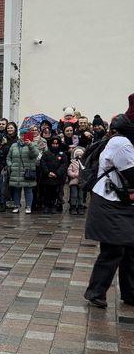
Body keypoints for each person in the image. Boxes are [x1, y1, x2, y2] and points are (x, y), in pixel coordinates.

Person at [84, 96, 134, 308]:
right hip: (108, 202)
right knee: (114, 250)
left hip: (121, 203)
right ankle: (95, 292)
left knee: (130, 249)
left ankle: (130, 294)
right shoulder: (121, 143)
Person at [6, 129, 38, 214]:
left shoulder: (33, 144)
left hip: (27, 171)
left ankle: (28, 206)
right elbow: (8, 157)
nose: (23, 137)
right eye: (22, 135)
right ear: (20, 135)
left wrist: (30, 145)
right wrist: (10, 165)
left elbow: (35, 155)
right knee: (16, 189)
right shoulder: (14, 145)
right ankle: (16, 206)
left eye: (25, 135)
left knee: (28, 189)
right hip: (16, 171)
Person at [39, 136, 68, 214]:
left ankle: (54, 206)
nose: (55, 145)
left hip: (57, 178)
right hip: (47, 177)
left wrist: (57, 173)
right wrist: (48, 172)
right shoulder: (46, 153)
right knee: (46, 193)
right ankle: (46, 206)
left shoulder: (62, 154)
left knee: (56, 193)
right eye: (53, 144)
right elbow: (43, 163)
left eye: (56, 144)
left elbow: (64, 165)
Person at [67, 146, 85, 215]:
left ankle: (80, 207)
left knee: (81, 195)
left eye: (81, 155)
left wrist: (81, 175)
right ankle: (73, 207)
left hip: (81, 182)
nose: (79, 156)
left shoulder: (84, 163)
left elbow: (85, 171)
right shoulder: (72, 163)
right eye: (78, 155)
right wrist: (74, 175)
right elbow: (69, 171)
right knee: (73, 195)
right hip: (74, 181)